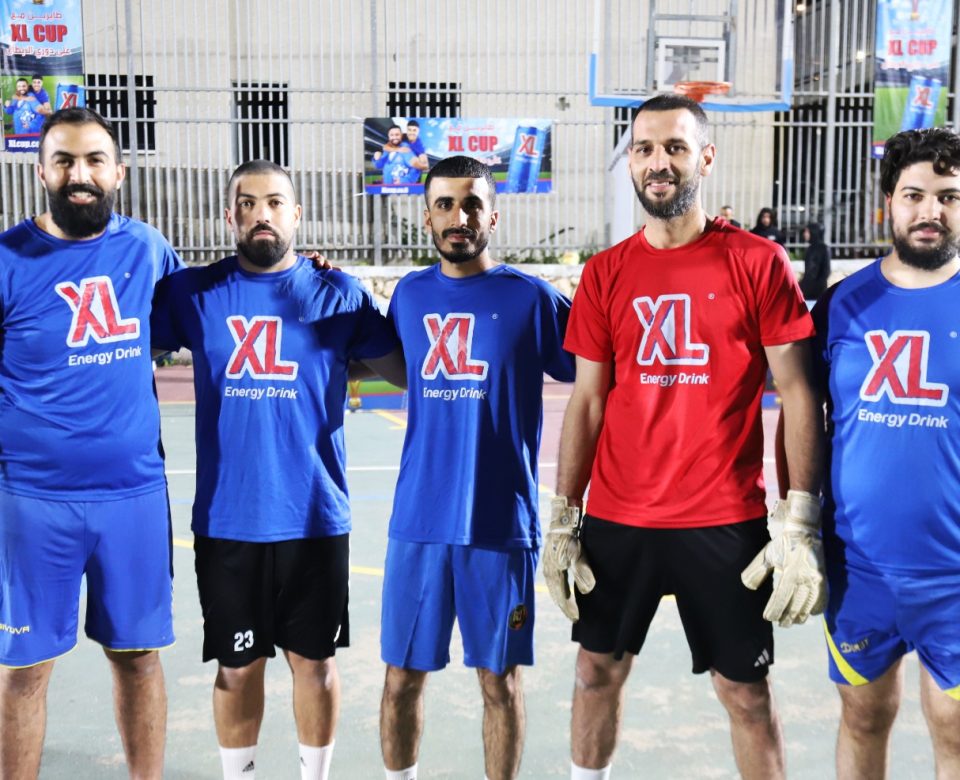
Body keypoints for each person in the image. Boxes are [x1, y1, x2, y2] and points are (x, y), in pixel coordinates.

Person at [543, 94, 825, 780]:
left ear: (706, 157)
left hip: (722, 517)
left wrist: (800, 519)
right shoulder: (605, 272)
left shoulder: (757, 261)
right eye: (643, 149)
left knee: (746, 694)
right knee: (595, 674)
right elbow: (588, 401)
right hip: (619, 516)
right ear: (630, 163)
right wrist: (564, 517)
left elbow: (798, 392)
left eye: (675, 147)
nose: (658, 162)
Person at [150, 159, 405, 780]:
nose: (260, 214)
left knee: (314, 663)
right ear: (229, 216)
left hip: (314, 515)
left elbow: (402, 371)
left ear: (296, 214)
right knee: (237, 669)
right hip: (227, 518)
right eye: (247, 203)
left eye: (274, 203)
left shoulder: (338, 293)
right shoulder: (192, 293)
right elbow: (124, 346)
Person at [379, 155, 575, 780]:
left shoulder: (532, 299)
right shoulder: (409, 295)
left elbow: (602, 366)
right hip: (419, 521)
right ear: (427, 217)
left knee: (500, 683)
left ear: (493, 215)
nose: (458, 216)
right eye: (444, 204)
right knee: (400, 679)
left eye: (471, 204)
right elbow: (389, 365)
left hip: (500, 525)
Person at [0, 107, 180, 778]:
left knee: (138, 660)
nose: (81, 174)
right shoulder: (7, 260)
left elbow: (212, 316)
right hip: (31, 502)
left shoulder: (148, 250)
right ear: (41, 172)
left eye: (95, 160)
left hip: (132, 496)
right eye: (65, 161)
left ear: (119, 172)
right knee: (24, 671)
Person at [810, 126, 960, 778]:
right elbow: (805, 420)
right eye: (914, 195)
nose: (931, 211)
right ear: (888, 204)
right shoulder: (841, 304)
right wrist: (796, 521)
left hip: (954, 575)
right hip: (860, 567)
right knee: (864, 717)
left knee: (954, 730)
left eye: (949, 196)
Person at [799, 222, 831, 301]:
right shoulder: (810, 249)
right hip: (807, 290)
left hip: (818, 292)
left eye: (807, 231)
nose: (805, 234)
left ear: (813, 232)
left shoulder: (823, 248)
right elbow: (808, 272)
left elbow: (826, 271)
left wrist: (816, 287)